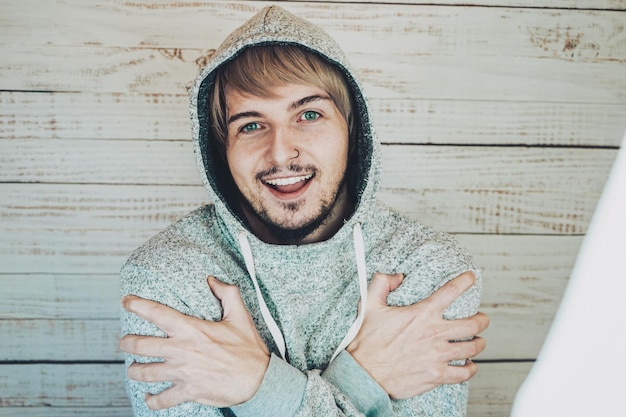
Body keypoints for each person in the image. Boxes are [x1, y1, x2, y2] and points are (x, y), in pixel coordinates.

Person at [119, 6, 489, 417]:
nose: (281, 152)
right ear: (220, 150)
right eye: (250, 124)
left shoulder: (431, 271)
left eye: (309, 114)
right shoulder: (168, 278)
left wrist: (257, 387)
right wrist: (364, 381)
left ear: (353, 130)